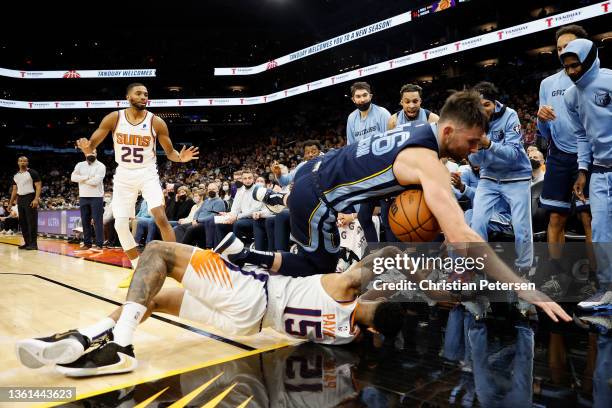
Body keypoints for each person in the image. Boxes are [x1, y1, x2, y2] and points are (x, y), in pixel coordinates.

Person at [15, 244, 569, 377]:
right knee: (154, 298)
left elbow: (380, 259)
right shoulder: (344, 338)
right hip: (250, 324)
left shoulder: (347, 291)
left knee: (158, 253)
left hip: (251, 296)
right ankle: (95, 336)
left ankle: (122, 345)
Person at [75, 83, 199, 287]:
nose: (143, 97)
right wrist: (86, 147)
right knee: (120, 224)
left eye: (146, 94)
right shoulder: (114, 118)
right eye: (139, 93)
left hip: (147, 173)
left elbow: (170, 153)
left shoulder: (156, 122)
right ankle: (137, 268)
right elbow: (92, 145)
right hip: (123, 174)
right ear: (128, 97)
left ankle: (177, 266)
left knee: (159, 215)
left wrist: (180, 158)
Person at [536, 25, 593, 299]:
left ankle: (597, 281)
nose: (563, 53)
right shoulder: (548, 84)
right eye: (559, 49)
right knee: (555, 218)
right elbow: (544, 134)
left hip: (591, 155)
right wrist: (540, 119)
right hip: (558, 156)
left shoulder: (596, 81)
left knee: (589, 218)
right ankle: (556, 277)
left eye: (568, 47)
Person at [561, 38, 612, 309]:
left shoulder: (609, 81)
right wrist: (582, 170)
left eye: (575, 65)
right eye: (566, 67)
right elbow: (581, 135)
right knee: (602, 234)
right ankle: (607, 291)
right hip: (601, 173)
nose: (571, 72)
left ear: (590, 60)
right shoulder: (570, 96)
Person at [468, 82, 533, 275]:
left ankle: (524, 269)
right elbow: (474, 160)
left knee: (522, 228)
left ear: (494, 103)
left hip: (516, 176)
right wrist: (477, 148)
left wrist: (488, 144)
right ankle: (483, 267)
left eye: (486, 105)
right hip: (488, 177)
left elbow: (513, 154)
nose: (483, 110)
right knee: (477, 222)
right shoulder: (471, 120)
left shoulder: (510, 115)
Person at [346, 82, 392, 245]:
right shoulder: (351, 118)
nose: (362, 99)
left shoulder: (382, 113)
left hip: (385, 172)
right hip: (366, 175)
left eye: (365, 95)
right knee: (363, 217)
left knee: (388, 220)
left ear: (370, 96)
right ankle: (376, 253)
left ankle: (397, 259)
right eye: (358, 96)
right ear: (353, 99)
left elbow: (392, 143)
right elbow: (351, 148)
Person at [70, 149, 106, 251]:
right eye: (89, 152)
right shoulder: (80, 165)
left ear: (96, 153)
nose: (91, 154)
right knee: (85, 221)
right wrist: (87, 177)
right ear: (85, 153)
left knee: (97, 221)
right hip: (83, 196)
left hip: (97, 197)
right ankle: (87, 243)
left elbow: (96, 181)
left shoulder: (101, 166)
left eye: (94, 152)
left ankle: (99, 244)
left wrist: (81, 179)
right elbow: (73, 177)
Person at [8, 156, 41, 250]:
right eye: (21, 161)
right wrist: (10, 203)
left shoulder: (32, 172)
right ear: (18, 162)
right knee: (23, 222)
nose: (23, 162)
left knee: (31, 222)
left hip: (30, 197)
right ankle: (27, 243)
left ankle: (33, 244)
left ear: (27, 162)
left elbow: (38, 186)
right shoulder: (16, 175)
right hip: (20, 199)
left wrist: (36, 199)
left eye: (24, 161)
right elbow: (14, 190)